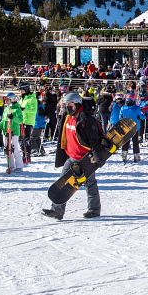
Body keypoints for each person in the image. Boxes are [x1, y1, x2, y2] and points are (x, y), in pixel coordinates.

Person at [43, 92, 104, 220]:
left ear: (77, 104)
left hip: (85, 159)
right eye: (66, 105)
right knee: (63, 184)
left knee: (90, 184)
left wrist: (96, 157)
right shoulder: (68, 117)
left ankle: (94, 210)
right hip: (71, 157)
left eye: (69, 104)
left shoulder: (86, 119)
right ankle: (57, 211)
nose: (67, 107)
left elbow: (94, 139)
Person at [0, 93, 24, 173]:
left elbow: (20, 120)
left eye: (7, 99)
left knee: (14, 148)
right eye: (5, 99)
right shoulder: (7, 108)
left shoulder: (17, 109)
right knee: (7, 149)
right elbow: (4, 120)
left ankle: (19, 166)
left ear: (12, 99)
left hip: (14, 131)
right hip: (6, 130)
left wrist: (13, 117)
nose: (5, 101)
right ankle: (10, 165)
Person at [119, 93, 145, 162]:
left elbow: (120, 117)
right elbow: (142, 117)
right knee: (135, 142)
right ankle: (136, 156)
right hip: (135, 127)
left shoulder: (123, 108)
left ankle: (124, 155)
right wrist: (142, 115)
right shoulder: (136, 108)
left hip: (126, 127)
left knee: (125, 142)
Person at [19, 84, 38, 164]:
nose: (20, 92)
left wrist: (24, 109)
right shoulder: (22, 98)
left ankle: (27, 156)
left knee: (26, 139)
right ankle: (23, 154)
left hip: (28, 121)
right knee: (21, 139)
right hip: (21, 121)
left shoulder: (32, 99)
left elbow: (34, 110)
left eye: (22, 90)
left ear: (26, 90)